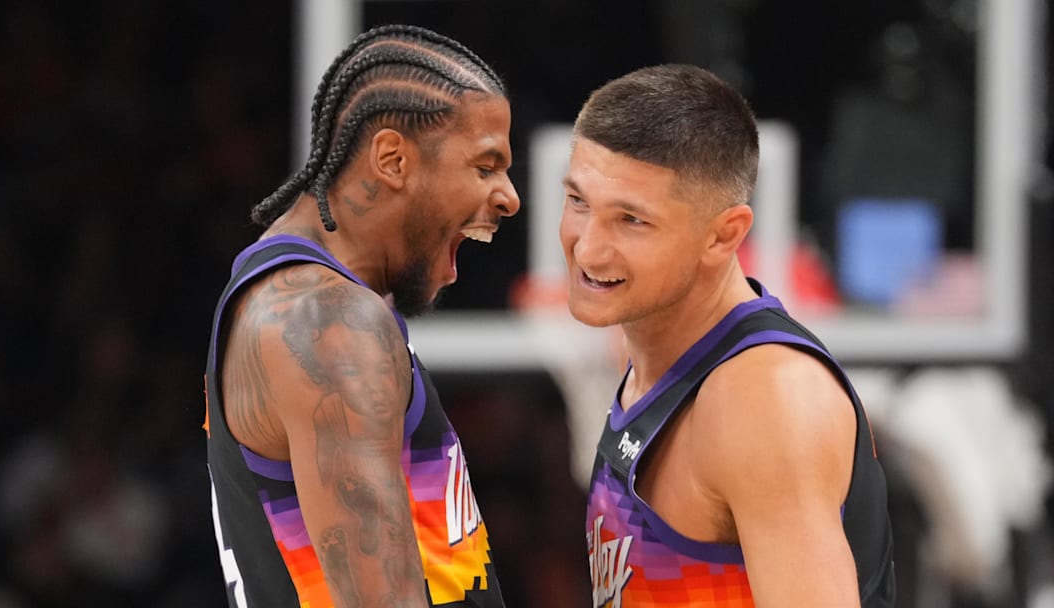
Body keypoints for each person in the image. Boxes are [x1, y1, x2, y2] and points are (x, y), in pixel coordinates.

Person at [203, 24, 519, 607]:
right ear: (393, 159)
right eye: (485, 165)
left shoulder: (303, 298)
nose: (509, 197)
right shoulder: (326, 323)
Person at [563, 64, 895, 607]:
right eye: (579, 202)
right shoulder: (663, 356)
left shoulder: (761, 398)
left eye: (631, 220)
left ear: (724, 235)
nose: (587, 249)